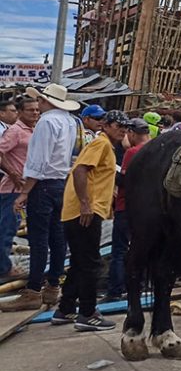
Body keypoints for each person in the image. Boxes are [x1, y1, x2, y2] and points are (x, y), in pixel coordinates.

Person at [0, 85, 79, 312]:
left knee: (39, 241)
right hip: (60, 183)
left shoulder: (46, 122)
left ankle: (33, 290)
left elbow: (38, 162)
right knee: (57, 239)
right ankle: (52, 287)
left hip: (43, 186)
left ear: (45, 101)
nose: (37, 109)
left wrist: (24, 192)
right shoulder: (70, 121)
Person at [51, 110, 129, 330]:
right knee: (90, 263)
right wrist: (86, 204)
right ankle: (87, 313)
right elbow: (80, 171)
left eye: (125, 127)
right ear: (105, 125)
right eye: (117, 125)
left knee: (79, 261)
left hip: (80, 211)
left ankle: (65, 309)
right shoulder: (101, 144)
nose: (122, 129)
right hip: (84, 211)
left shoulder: (106, 146)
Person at [104, 119, 151, 304]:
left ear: (131, 133)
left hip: (127, 207)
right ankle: (140, 285)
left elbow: (124, 180)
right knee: (142, 249)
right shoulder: (156, 148)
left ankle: (116, 290)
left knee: (120, 251)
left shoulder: (132, 152)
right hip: (147, 209)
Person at [0, 96, 39, 284]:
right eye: (30, 110)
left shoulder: (35, 130)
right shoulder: (15, 131)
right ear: (21, 112)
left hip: (29, 188)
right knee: (7, 229)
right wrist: (13, 173)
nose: (35, 113)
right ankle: (4, 269)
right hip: (13, 189)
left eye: (37, 110)